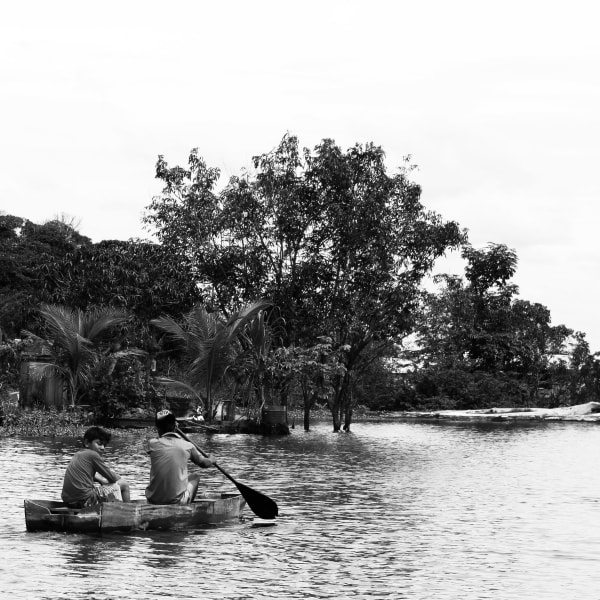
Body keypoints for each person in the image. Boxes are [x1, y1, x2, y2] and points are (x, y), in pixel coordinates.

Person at [145, 409, 215, 505]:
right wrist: (211, 459)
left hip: (152, 500)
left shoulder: (152, 444)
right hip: (176, 502)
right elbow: (204, 463)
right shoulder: (187, 446)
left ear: (157, 429)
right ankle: (188, 507)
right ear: (175, 426)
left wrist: (172, 428)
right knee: (195, 476)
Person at [61, 426, 130, 508]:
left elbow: (85, 475)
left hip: (69, 501)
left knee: (103, 483)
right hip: (84, 500)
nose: (103, 448)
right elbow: (112, 478)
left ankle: (116, 507)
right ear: (87, 443)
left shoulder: (78, 454)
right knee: (124, 484)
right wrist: (116, 479)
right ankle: (128, 512)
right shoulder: (93, 455)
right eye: (99, 444)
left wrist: (101, 480)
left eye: (104, 445)